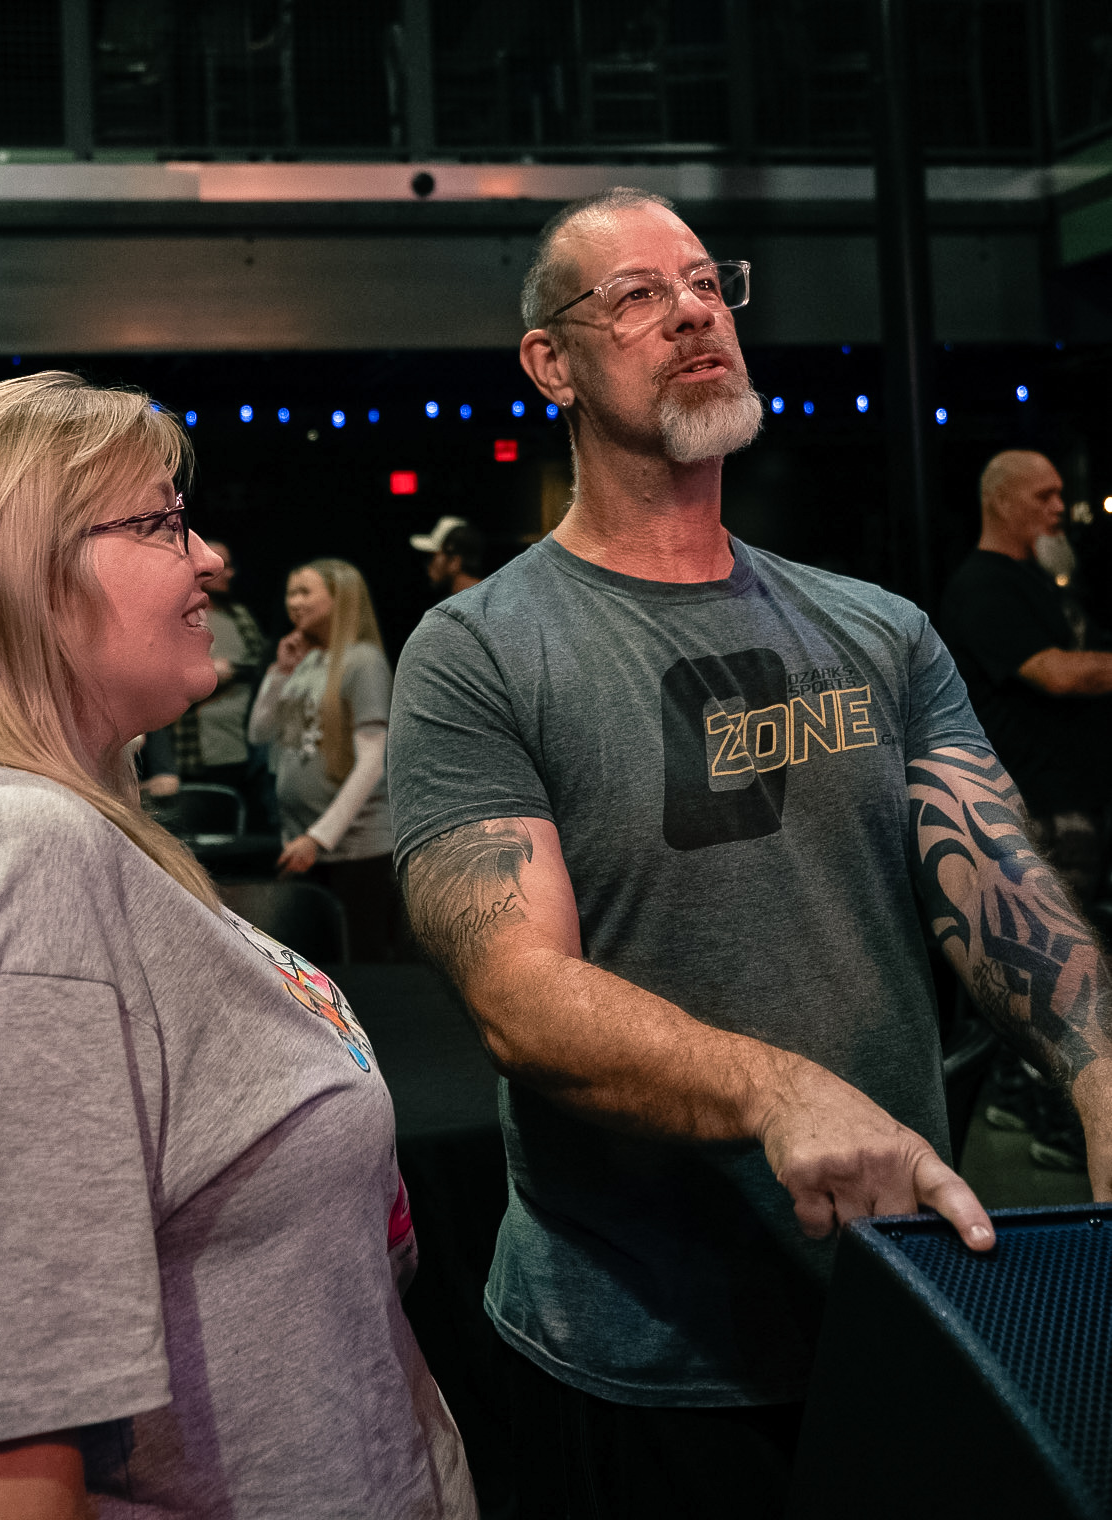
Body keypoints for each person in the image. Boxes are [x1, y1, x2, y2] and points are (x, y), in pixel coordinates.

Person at [386, 186, 1112, 1520]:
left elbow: (998, 888)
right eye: (637, 295)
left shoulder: (877, 628)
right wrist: (777, 1091)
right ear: (551, 361)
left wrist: (1099, 1063)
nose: (692, 312)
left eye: (706, 284)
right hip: (635, 1351)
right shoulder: (479, 650)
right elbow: (517, 994)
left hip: (900, 1300)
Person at [0, 375, 474, 1520]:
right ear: (19, 578)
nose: (209, 558)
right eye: (163, 523)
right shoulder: (2, 855)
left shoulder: (0, 825)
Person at [938, 449, 1112, 904]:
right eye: (1044, 496)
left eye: (1060, 495)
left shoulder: (1039, 580)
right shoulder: (982, 585)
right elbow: (1056, 674)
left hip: (1077, 800)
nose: (1059, 507)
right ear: (1001, 501)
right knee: (1055, 943)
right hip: (1037, 812)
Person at [249, 560, 399, 959]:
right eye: (290, 593)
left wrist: (319, 837)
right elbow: (259, 734)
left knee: (358, 967)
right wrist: (280, 672)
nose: (293, 602)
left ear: (339, 599)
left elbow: (373, 762)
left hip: (355, 852)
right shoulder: (308, 660)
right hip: (305, 844)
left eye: (305, 592)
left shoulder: (363, 661)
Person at [137, 540, 268, 819]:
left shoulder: (240, 617)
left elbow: (262, 666)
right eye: (221, 565)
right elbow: (154, 675)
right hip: (190, 752)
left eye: (229, 565)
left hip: (241, 749)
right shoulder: (173, 615)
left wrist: (234, 670)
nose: (228, 572)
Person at [412, 516, 485, 596]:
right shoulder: (489, 595)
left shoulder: (464, 601)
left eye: (432, 556)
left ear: (454, 561)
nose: (427, 565)